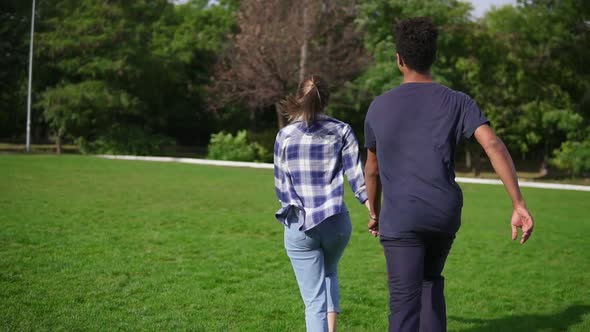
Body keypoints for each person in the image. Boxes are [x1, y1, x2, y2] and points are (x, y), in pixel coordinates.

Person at [363, 17, 535, 332]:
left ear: (399, 59)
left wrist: (374, 211)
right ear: (434, 57)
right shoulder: (458, 101)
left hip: (401, 218)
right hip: (442, 215)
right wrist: (518, 203)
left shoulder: (378, 107)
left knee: (404, 305)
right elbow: (493, 146)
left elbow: (371, 170)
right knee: (430, 287)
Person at [274, 75, 369, 332]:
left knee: (313, 303)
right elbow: (358, 179)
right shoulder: (342, 130)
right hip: (336, 223)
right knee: (329, 272)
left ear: (299, 97)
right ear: (326, 100)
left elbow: (282, 188)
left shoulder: (285, 136)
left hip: (300, 225)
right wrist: (373, 210)